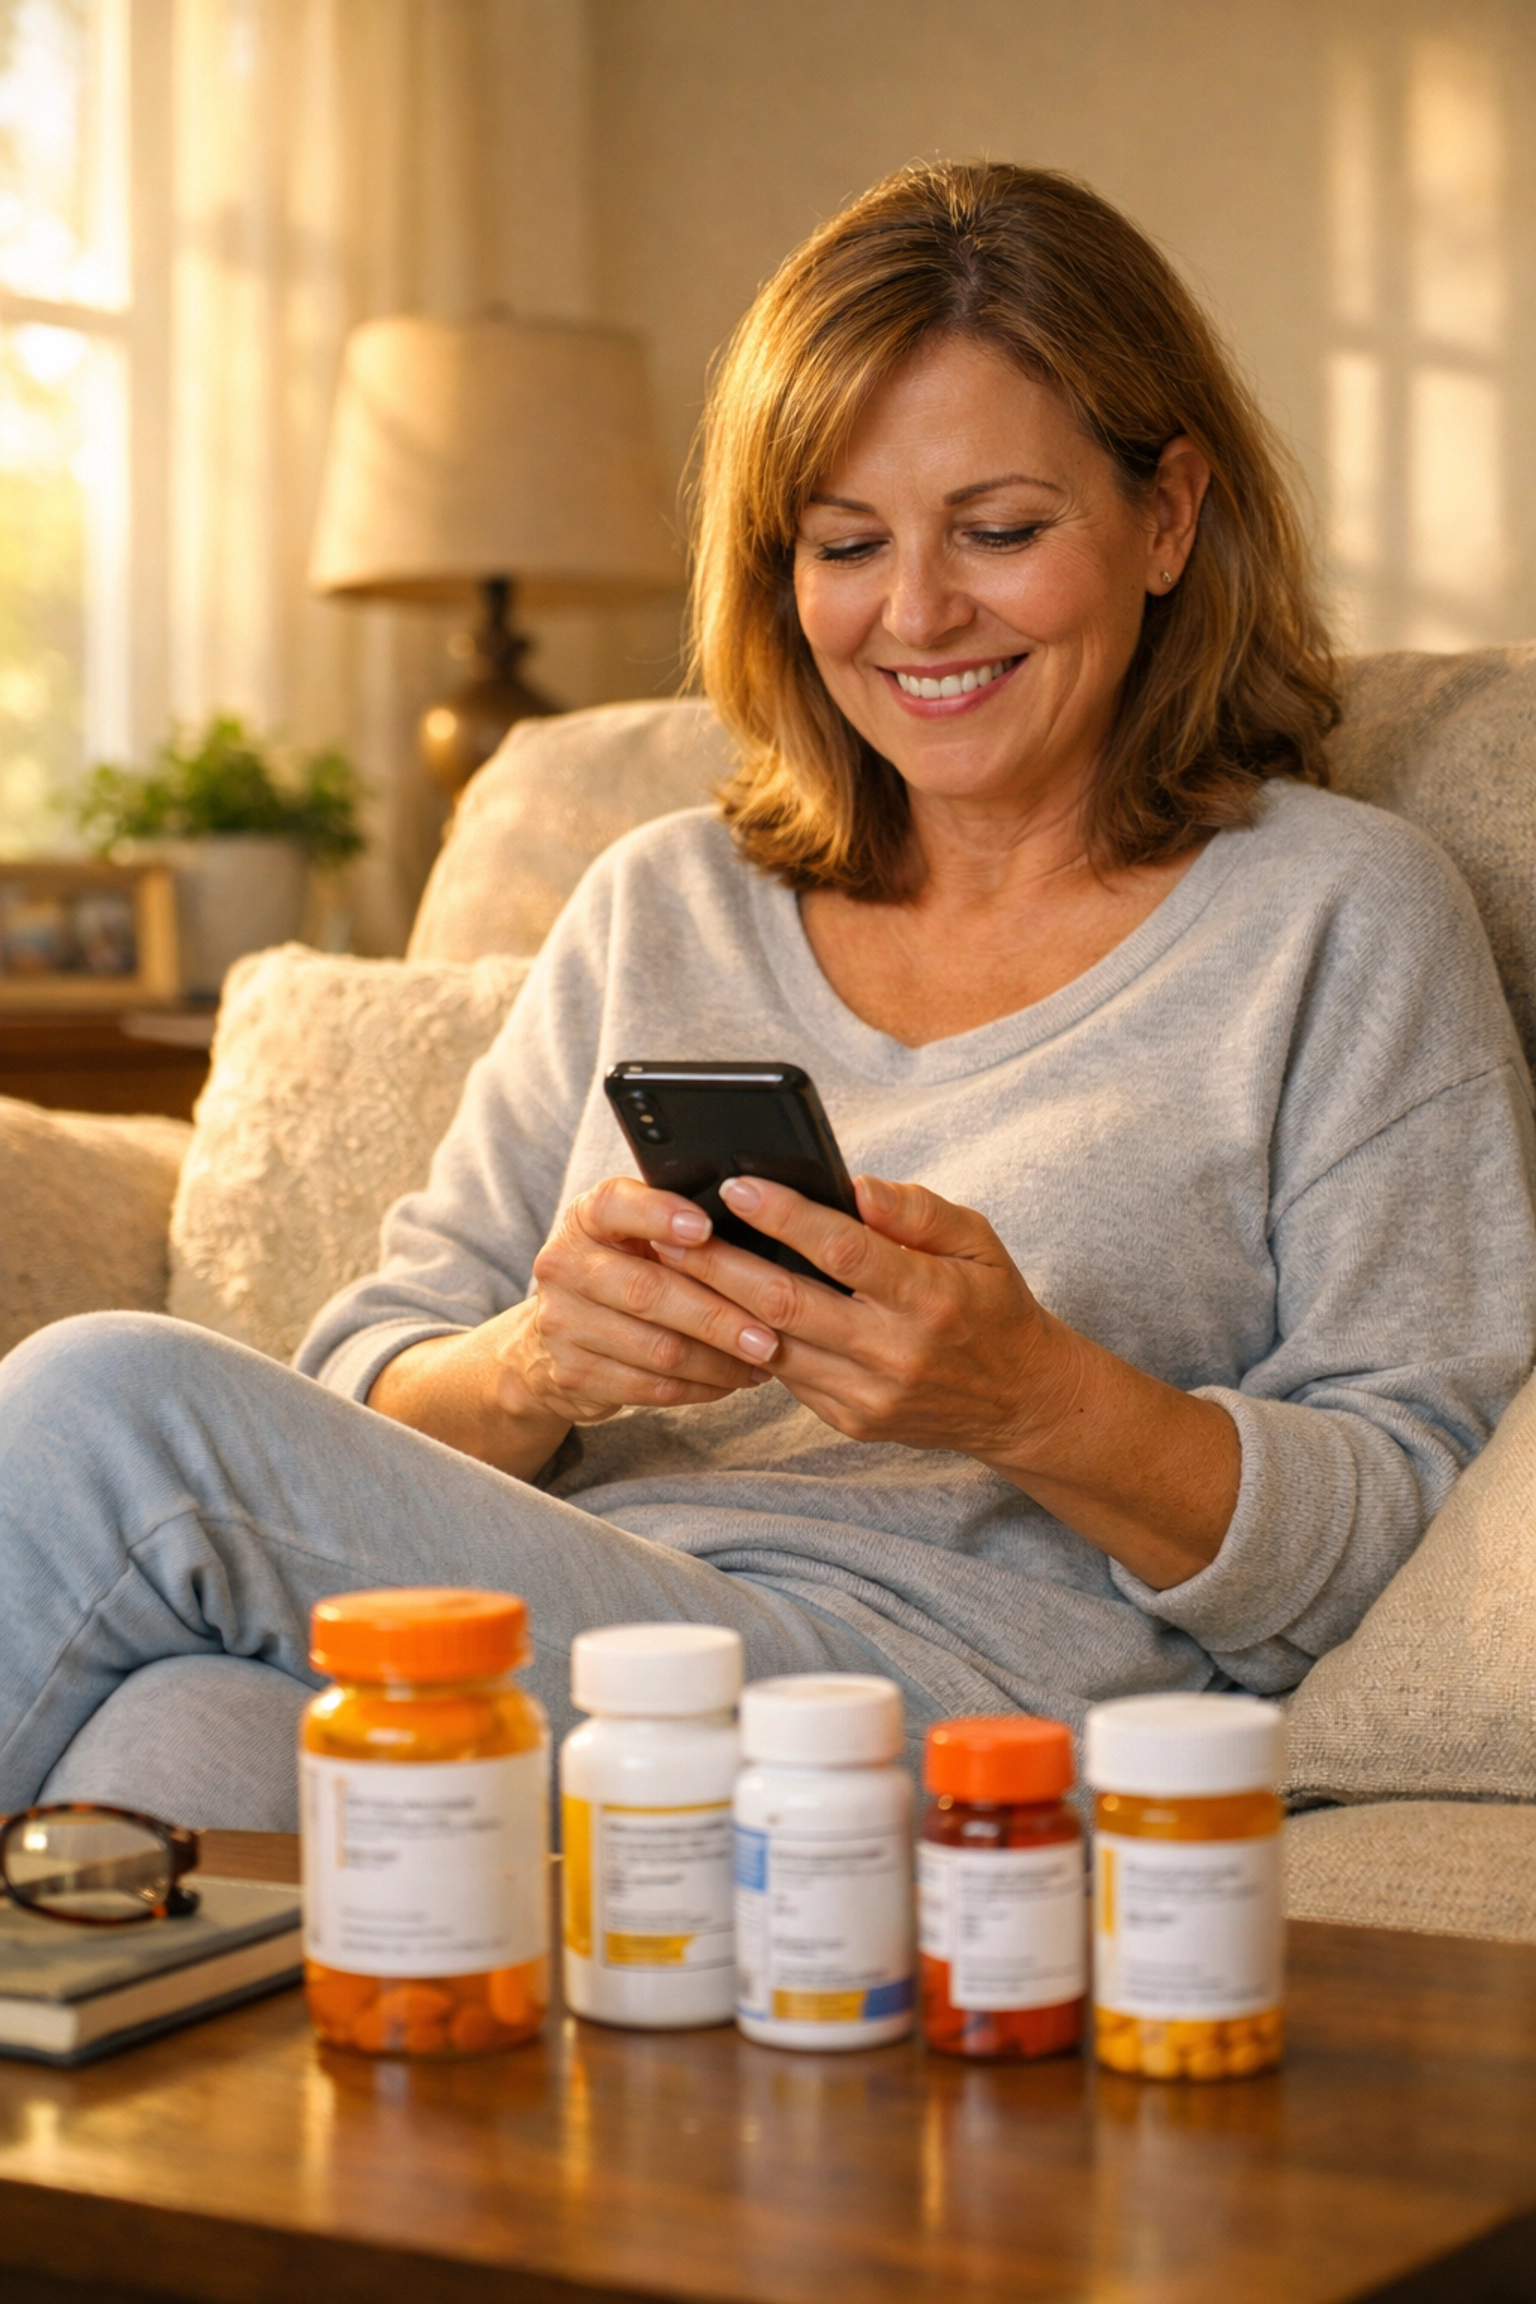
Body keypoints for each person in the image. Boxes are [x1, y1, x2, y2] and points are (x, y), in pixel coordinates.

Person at [2, 161, 1532, 1827]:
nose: (917, 614)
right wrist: (536, 1365)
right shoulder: (662, 903)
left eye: (1001, 532)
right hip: (592, 1650)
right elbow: (370, 1365)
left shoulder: (1337, 917)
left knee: (108, 1409)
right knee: (167, 1741)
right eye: (847, 544)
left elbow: (1405, 1516)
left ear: (1167, 516)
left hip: (959, 1708)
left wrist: (1033, 1398)